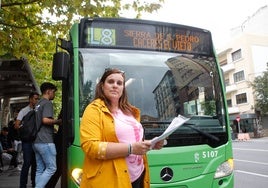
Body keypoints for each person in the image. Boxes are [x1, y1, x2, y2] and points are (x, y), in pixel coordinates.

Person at [80, 68, 164, 188]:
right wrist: (131, 148)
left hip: (138, 174)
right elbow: (90, 146)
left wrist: (150, 144)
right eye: (111, 82)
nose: (115, 85)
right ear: (102, 86)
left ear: (123, 88)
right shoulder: (93, 109)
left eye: (119, 83)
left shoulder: (130, 111)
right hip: (111, 180)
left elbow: (132, 142)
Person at [32, 82, 62, 188]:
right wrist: (58, 121)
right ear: (48, 91)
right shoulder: (47, 103)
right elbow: (45, 120)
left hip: (36, 141)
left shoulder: (38, 104)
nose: (54, 94)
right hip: (45, 141)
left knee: (40, 169)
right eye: (53, 92)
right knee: (52, 168)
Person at [15, 91, 40, 188]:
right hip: (27, 142)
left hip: (36, 141)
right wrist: (25, 127)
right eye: (35, 98)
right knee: (27, 163)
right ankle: (22, 185)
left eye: (38, 99)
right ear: (30, 99)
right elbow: (16, 125)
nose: (37, 100)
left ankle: (34, 184)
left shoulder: (38, 110)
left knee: (35, 163)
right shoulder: (23, 111)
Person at [45, 109, 63, 188]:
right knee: (57, 169)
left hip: (59, 141)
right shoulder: (46, 104)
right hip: (61, 142)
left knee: (57, 169)